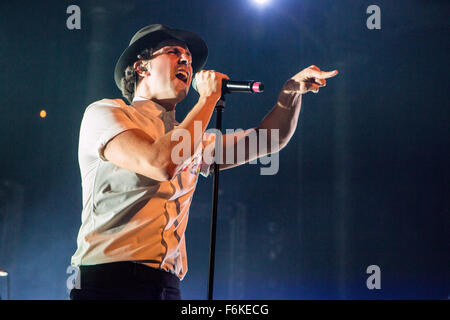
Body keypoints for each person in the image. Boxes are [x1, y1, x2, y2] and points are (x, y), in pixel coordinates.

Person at [69, 24, 338, 300]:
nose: (186, 60)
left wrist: (290, 93)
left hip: (166, 286)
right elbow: (161, 162)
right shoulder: (107, 113)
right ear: (141, 67)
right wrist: (209, 97)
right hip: (109, 283)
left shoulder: (194, 139)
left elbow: (269, 140)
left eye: (188, 56)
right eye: (174, 52)